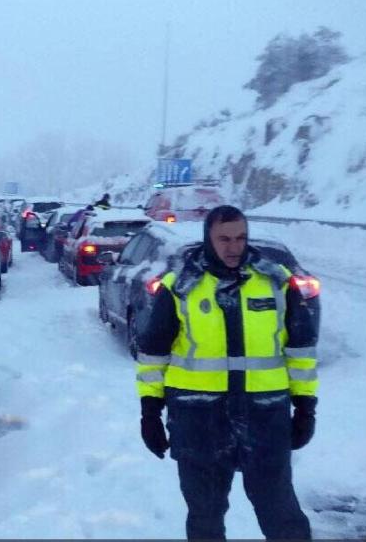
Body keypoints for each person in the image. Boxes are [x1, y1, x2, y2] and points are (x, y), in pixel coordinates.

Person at [135, 205, 319, 540]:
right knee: (205, 517)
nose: (234, 247)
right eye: (224, 239)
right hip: (198, 420)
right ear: (208, 239)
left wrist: (306, 407)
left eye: (240, 238)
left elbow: (301, 351)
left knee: (281, 514)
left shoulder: (276, 282)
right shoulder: (181, 287)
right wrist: (150, 412)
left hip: (265, 416)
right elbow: (153, 355)